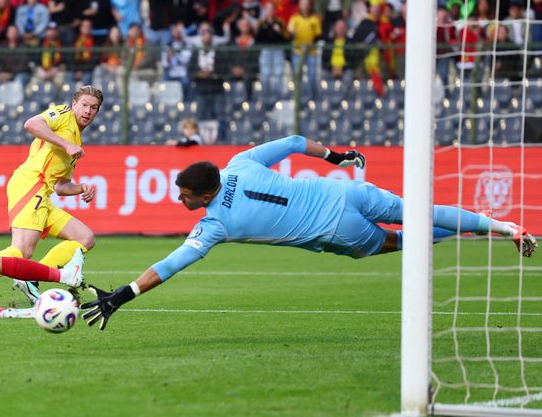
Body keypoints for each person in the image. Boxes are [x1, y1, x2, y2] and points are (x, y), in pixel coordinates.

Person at [80, 135, 539, 330]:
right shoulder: (239, 163)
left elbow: (171, 263)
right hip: (346, 193)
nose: (179, 201)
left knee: (403, 241)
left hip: (338, 230)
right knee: (422, 208)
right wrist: (336, 156)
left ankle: (466, 232)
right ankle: (500, 224)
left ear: (202, 194)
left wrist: (122, 295)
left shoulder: (213, 224)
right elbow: (297, 143)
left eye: (184, 196)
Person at [0, 85, 103, 304]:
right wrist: (65, 144)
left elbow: (61, 185)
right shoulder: (63, 114)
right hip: (30, 183)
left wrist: (81, 188)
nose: (88, 111)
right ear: (74, 104)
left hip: (44, 191)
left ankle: (31, 277)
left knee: (85, 238)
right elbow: (31, 124)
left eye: (94, 108)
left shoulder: (76, 140)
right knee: (21, 252)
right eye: (85, 105)